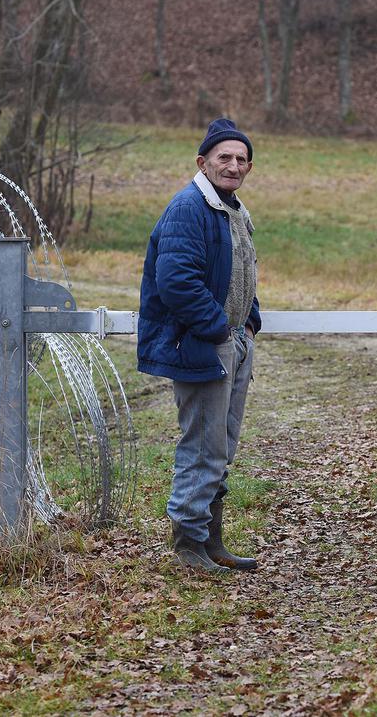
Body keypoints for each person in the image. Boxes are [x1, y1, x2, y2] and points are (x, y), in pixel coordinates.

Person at [137, 118, 262, 574]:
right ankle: (188, 544)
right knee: (203, 445)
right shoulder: (189, 208)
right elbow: (176, 281)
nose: (233, 165)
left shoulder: (232, 208)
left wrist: (249, 323)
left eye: (241, 159)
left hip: (232, 341)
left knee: (222, 444)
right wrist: (216, 330)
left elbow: (241, 269)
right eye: (224, 157)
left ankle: (211, 542)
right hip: (204, 345)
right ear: (203, 162)